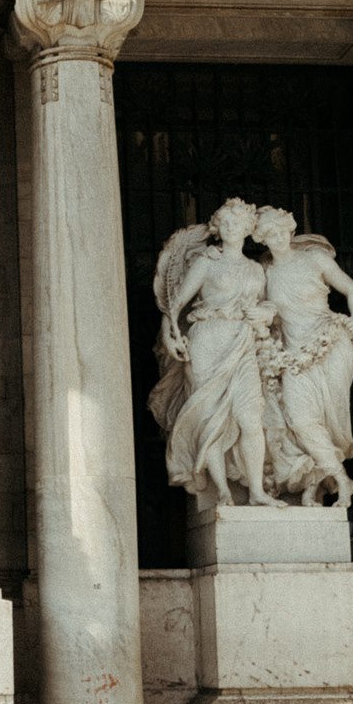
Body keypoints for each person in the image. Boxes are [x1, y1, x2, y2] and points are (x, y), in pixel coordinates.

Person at [149, 198, 284, 507]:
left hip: (243, 342)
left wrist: (266, 311)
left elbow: (268, 306)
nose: (229, 228)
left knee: (250, 418)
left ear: (249, 228)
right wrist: (170, 335)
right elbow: (175, 304)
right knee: (209, 418)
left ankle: (256, 491)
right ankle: (222, 491)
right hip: (208, 341)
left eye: (236, 223)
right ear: (217, 227)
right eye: (224, 223)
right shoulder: (207, 262)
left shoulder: (255, 270)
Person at [252, 206, 353, 507]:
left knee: (330, 419)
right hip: (293, 354)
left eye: (280, 231)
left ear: (290, 231)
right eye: (269, 235)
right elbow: (262, 309)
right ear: (262, 239)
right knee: (300, 419)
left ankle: (316, 483)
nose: (276, 238)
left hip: (330, 343)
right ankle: (341, 479)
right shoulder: (265, 273)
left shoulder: (314, 259)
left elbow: (352, 289)